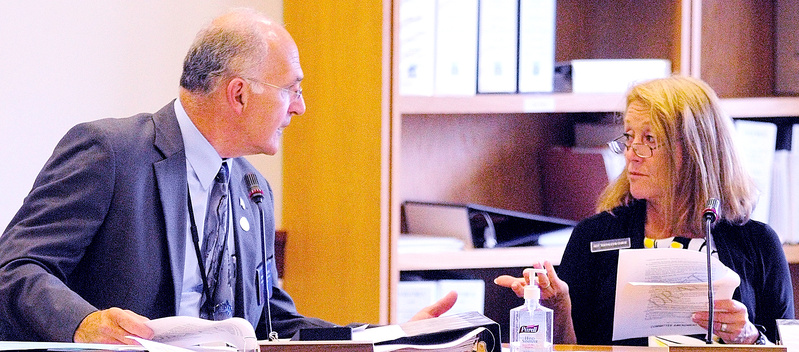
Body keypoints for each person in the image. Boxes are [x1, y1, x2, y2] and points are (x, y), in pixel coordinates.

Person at [0, 8, 456, 343]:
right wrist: (83, 323)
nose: (300, 107)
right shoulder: (111, 153)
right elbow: (15, 267)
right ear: (239, 94)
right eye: (292, 90)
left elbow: (274, 325)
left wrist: (390, 337)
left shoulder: (253, 190)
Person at [495, 76, 794, 346]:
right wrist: (559, 306)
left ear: (695, 150)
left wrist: (751, 338)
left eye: (649, 139)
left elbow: (786, 345)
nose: (631, 154)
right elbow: (570, 348)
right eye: (629, 137)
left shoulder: (758, 244)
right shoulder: (594, 236)